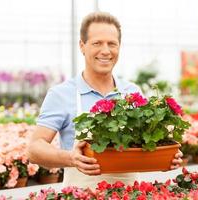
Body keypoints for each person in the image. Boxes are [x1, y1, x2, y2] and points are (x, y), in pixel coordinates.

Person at [27, 11, 183, 189]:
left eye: (112, 44)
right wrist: (71, 158)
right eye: (97, 43)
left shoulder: (132, 92)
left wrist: (164, 157)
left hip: (129, 193)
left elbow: (144, 148)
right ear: (82, 46)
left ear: (119, 47)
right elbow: (34, 149)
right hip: (82, 194)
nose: (106, 51)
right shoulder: (61, 94)